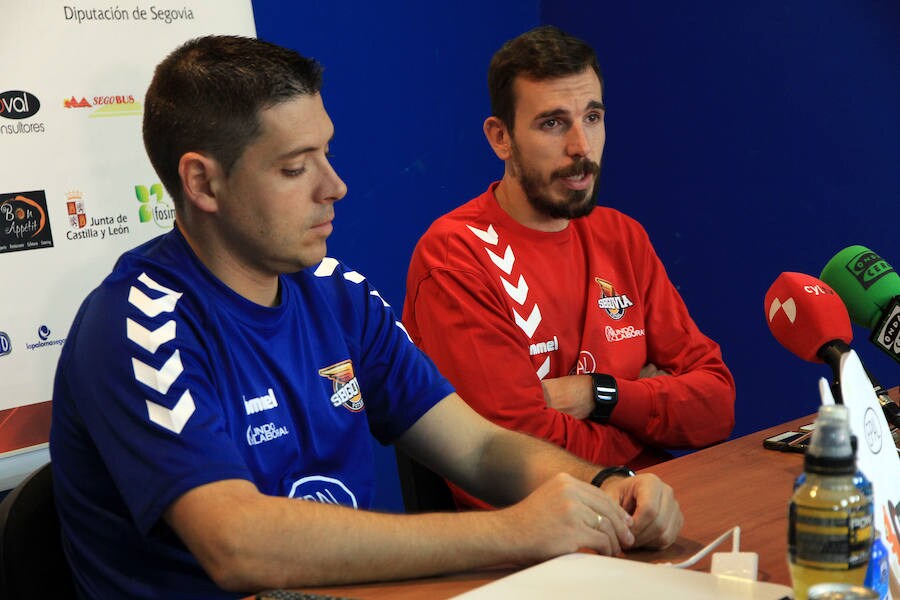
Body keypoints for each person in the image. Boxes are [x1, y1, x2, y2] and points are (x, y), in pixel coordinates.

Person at [49, 35, 682, 599]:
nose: (335, 185)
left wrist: (606, 486)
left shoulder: (338, 293)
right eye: (295, 167)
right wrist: (514, 531)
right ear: (204, 184)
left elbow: (480, 446)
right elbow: (237, 543)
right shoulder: (137, 324)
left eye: (327, 153)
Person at [403, 26, 736, 510]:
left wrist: (598, 394)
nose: (582, 145)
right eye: (553, 123)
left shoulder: (621, 236)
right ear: (501, 138)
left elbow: (715, 406)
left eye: (593, 117)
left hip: (647, 509)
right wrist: (647, 410)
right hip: (540, 547)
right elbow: (513, 452)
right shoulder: (456, 255)